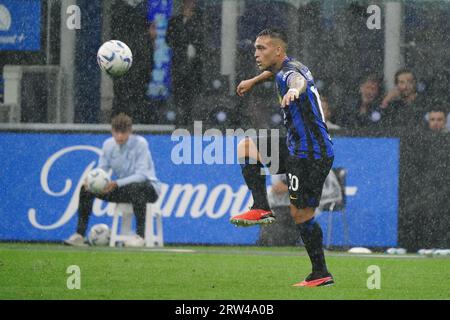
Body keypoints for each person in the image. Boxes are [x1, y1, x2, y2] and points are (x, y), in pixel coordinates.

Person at [231, 28, 335, 287]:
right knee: (246, 147)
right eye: (255, 48)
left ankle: (320, 273)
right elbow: (275, 73)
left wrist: (294, 92)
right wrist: (253, 81)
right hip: (295, 147)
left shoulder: (291, 74)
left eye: (262, 48)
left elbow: (296, 81)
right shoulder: (287, 65)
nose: (256, 53)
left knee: (301, 213)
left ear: (278, 50)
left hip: (312, 154)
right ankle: (261, 207)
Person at [64, 113, 161, 247]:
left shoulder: (141, 143)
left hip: (149, 189)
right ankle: (79, 235)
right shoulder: (108, 145)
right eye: (117, 132)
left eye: (124, 132)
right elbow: (101, 170)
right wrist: (91, 181)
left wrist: (116, 183)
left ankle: (140, 236)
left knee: (137, 186)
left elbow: (142, 175)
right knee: (85, 190)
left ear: (130, 131)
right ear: (112, 131)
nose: (120, 136)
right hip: (122, 189)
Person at [167, 0, 204, 126]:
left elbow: (201, 39)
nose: (189, 5)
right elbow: (169, 39)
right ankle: (178, 120)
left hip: (193, 67)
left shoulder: (199, 21)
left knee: (191, 96)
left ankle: (188, 122)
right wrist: (181, 47)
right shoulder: (175, 21)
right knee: (178, 95)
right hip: (178, 64)